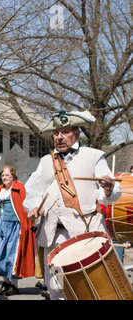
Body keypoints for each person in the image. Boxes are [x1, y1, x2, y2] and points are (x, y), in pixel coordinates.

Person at [24, 110, 122, 300]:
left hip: (85, 233)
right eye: (56, 133)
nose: (59, 137)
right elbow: (32, 192)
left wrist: (109, 190)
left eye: (65, 132)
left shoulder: (94, 156)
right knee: (56, 286)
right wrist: (33, 208)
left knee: (89, 288)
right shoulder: (45, 162)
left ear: (76, 134)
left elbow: (108, 193)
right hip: (53, 235)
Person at [0, 165, 35, 295]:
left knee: (12, 256)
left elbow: (24, 209)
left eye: (7, 175)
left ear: (13, 176)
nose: (4, 177)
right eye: (3, 175)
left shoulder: (19, 188)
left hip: (14, 225)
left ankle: (14, 285)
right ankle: (6, 282)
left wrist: (23, 227)